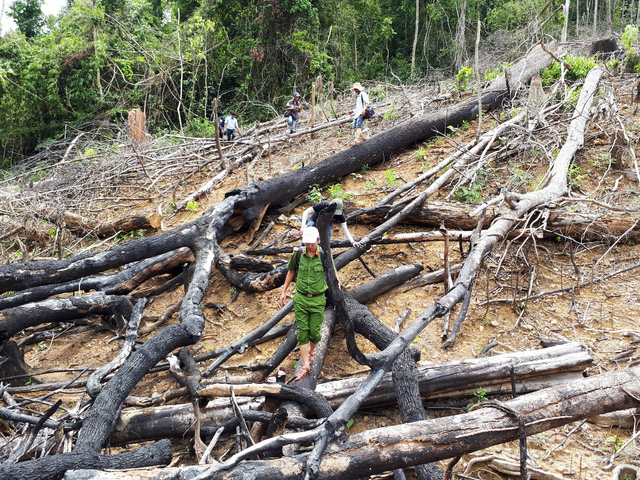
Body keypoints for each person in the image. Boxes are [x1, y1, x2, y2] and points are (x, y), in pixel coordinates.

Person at [279, 227, 329, 381]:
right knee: (303, 331)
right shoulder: (299, 253)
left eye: (312, 243)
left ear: (318, 241)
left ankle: (311, 353)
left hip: (318, 299)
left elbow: (332, 272)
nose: (309, 246)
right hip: (301, 299)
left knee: (315, 333)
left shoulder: (324, 255)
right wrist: (283, 291)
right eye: (307, 243)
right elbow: (291, 272)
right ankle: (306, 365)